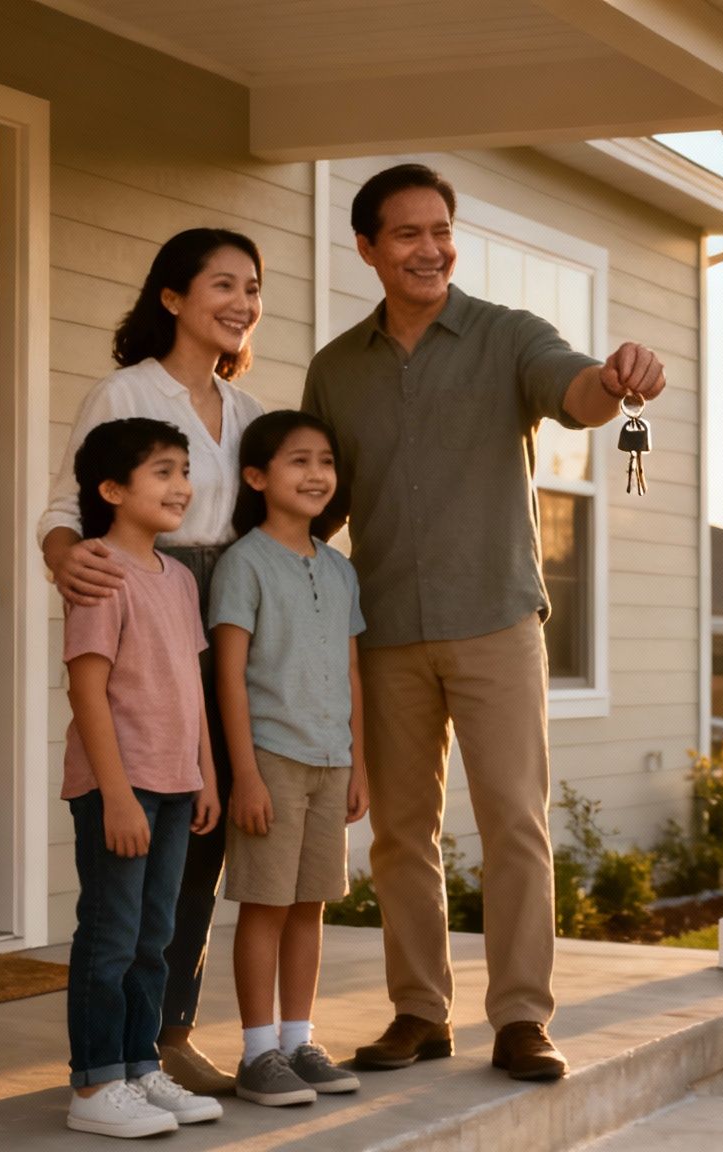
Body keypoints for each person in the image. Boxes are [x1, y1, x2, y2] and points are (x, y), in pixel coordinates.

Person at [301, 163, 665, 1082]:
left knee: (512, 823)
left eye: (442, 231)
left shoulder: (508, 336)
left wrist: (615, 381)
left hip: (495, 620)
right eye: (409, 235)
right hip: (383, 627)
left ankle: (521, 1020)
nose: (431, 249)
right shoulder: (336, 369)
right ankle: (420, 1011)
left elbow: (574, 391)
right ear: (368, 249)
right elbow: (319, 500)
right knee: (399, 834)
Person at [39, 229, 266, 1095]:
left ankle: (166, 1030)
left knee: (201, 819)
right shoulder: (125, 392)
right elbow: (71, 500)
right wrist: (67, 556)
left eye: (252, 289)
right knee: (140, 801)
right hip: (144, 589)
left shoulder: (248, 414)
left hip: (227, 599)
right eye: (222, 285)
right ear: (171, 298)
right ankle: (121, 1057)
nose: (242, 303)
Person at [58, 417, 224, 1138]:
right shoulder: (98, 570)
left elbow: (190, 684)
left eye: (184, 470)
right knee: (111, 936)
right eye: (162, 471)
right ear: (112, 489)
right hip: (116, 789)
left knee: (157, 936)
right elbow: (87, 690)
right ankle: (95, 1087)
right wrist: (117, 793)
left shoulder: (180, 578)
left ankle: (138, 1064)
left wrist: (206, 775)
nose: (180, 486)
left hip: (176, 783)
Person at [209, 411, 369, 1106]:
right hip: (271, 759)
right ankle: (256, 1053)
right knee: (266, 906)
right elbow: (229, 674)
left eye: (326, 461)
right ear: (257, 476)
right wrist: (243, 772)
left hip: (332, 759)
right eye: (298, 461)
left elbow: (352, 671)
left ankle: (300, 1041)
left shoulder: (340, 569)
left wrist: (360, 762)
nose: (316, 474)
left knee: (311, 906)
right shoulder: (244, 563)